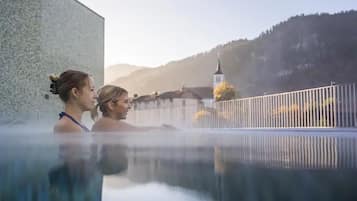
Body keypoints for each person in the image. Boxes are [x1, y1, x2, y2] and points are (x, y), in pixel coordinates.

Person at [91, 85, 176, 132]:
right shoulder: (108, 124)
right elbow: (139, 131)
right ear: (111, 105)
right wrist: (163, 129)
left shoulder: (103, 122)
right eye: (125, 102)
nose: (130, 106)